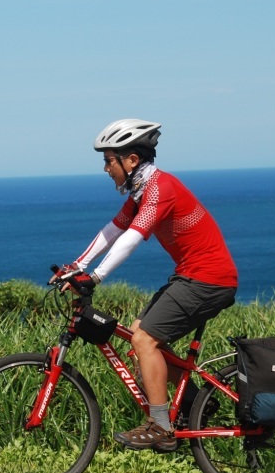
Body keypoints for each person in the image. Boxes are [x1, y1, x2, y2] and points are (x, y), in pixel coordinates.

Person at [53, 118, 238, 452]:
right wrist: (76, 266)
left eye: (109, 160)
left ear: (132, 160)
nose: (106, 168)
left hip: (209, 279)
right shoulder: (142, 190)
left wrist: (95, 276)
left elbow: (133, 237)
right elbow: (114, 229)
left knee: (144, 339)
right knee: (138, 334)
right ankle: (195, 404)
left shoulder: (160, 189)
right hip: (191, 275)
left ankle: (160, 426)